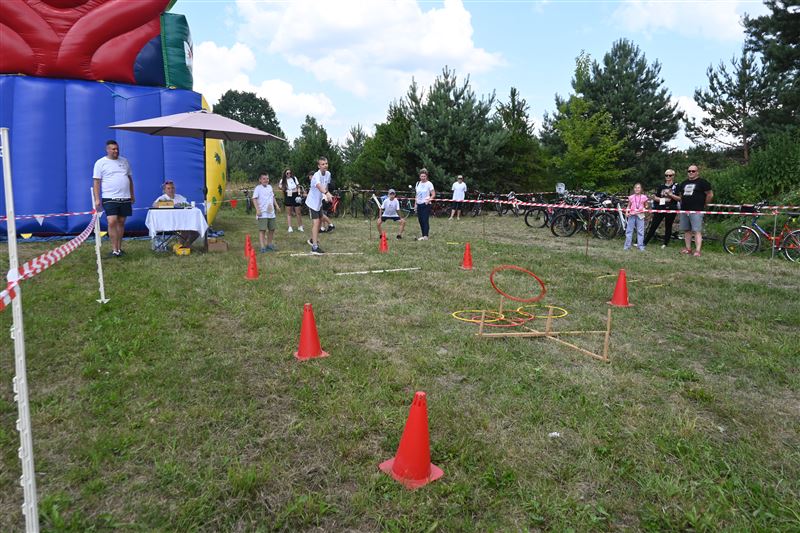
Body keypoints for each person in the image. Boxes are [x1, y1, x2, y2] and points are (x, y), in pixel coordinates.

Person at [93, 140, 134, 257]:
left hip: (125, 197)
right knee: (112, 221)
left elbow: (130, 179)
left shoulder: (124, 161)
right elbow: (96, 182)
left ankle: (119, 249)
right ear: (107, 150)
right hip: (109, 197)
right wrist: (97, 199)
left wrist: (132, 194)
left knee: (121, 222)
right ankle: (114, 249)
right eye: (113, 149)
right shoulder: (100, 163)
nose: (116, 151)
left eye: (117, 149)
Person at [675, 164, 713, 257]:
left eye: (693, 171)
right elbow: (680, 196)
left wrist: (705, 204)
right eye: (689, 171)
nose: (691, 173)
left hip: (697, 210)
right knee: (687, 230)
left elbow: (710, 194)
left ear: (697, 172)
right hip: (684, 210)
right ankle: (688, 249)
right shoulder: (683, 183)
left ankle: (697, 251)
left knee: (696, 231)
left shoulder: (703, 182)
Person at [151, 180, 198, 247]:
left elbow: (188, 205)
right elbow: (154, 205)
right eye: (168, 188)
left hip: (182, 220)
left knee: (196, 231)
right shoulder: (162, 198)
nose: (171, 190)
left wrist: (183, 205)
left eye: (172, 188)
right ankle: (182, 246)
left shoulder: (180, 197)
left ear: (175, 189)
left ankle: (185, 246)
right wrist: (170, 204)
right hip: (168, 222)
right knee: (185, 227)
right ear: (165, 190)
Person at [643, 169, 678, 248]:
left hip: (671, 208)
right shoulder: (661, 186)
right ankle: (645, 242)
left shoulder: (676, 186)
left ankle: (665, 243)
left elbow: (676, 199)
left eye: (670, 175)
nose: (668, 177)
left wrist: (669, 196)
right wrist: (661, 199)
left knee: (668, 226)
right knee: (654, 225)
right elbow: (657, 198)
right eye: (666, 175)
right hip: (660, 208)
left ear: (673, 176)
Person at [305, 156, 332, 254]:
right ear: (319, 166)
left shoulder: (328, 174)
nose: (325, 166)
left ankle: (312, 240)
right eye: (323, 164)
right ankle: (314, 247)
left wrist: (327, 195)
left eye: (326, 163)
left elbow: (325, 186)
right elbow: (319, 186)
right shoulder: (316, 175)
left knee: (320, 221)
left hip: (319, 202)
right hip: (312, 202)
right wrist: (326, 193)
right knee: (316, 222)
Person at [252, 173, 281, 252]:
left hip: (271, 213)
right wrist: (257, 210)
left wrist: (277, 206)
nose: (266, 180)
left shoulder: (270, 187)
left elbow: (273, 197)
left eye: (267, 178)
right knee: (262, 230)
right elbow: (254, 199)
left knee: (272, 229)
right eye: (264, 179)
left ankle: (269, 244)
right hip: (262, 213)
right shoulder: (258, 188)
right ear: (260, 180)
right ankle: (262, 247)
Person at [624, 183, 649, 251]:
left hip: (640, 215)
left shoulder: (644, 197)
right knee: (629, 231)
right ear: (634, 189)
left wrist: (645, 208)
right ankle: (627, 246)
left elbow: (646, 205)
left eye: (638, 188)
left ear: (641, 189)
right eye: (635, 187)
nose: (637, 189)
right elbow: (629, 206)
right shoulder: (631, 197)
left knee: (640, 231)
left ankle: (640, 246)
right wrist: (627, 212)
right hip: (632, 215)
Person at [279, 168, 304, 233]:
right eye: (287, 173)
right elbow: (280, 187)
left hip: (295, 195)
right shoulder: (283, 180)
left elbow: (298, 186)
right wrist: (284, 188)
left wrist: (299, 194)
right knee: (289, 212)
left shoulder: (294, 178)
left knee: (298, 212)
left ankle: (300, 226)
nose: (289, 174)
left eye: (290, 173)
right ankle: (290, 227)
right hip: (288, 196)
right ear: (285, 174)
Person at [414, 168, 435, 240]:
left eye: (424, 176)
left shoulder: (429, 184)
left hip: (426, 204)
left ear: (426, 176)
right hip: (419, 204)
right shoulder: (417, 183)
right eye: (421, 176)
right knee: (420, 220)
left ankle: (426, 235)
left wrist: (429, 200)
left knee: (425, 219)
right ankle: (423, 235)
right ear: (419, 176)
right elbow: (416, 195)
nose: (423, 178)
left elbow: (433, 194)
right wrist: (415, 204)